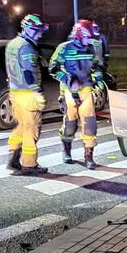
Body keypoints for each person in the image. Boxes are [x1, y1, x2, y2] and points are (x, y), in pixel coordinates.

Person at [49, 19, 98, 169]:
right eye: (87, 37)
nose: (89, 40)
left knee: (90, 123)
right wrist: (67, 78)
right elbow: (53, 68)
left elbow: (95, 68)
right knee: (70, 123)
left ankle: (88, 155)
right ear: (79, 35)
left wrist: (98, 80)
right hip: (69, 89)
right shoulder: (64, 48)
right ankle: (66, 149)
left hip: (86, 89)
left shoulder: (90, 49)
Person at [5, 13, 49, 176]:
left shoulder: (13, 44)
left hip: (15, 93)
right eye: (37, 30)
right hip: (28, 94)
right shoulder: (27, 47)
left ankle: (13, 156)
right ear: (27, 28)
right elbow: (29, 71)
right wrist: (37, 91)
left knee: (22, 126)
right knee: (32, 129)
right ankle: (29, 165)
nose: (40, 34)